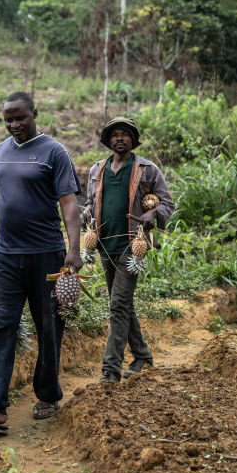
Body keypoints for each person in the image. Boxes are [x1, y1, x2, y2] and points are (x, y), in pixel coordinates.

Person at [0, 91, 83, 435]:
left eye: (21, 118)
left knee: (48, 325)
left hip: (46, 253)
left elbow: (69, 204)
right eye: (8, 119)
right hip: (5, 254)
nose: (15, 124)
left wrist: (73, 251)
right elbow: (8, 198)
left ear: (35, 114)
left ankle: (48, 394)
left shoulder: (54, 152)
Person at [82, 117, 174, 383]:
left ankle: (110, 369)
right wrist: (85, 213)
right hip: (104, 244)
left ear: (133, 140)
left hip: (132, 246)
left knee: (118, 305)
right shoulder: (97, 169)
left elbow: (167, 203)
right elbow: (90, 202)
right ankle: (142, 355)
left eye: (125, 134)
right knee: (121, 304)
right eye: (114, 135)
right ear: (108, 140)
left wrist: (152, 214)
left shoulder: (147, 169)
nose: (119, 138)